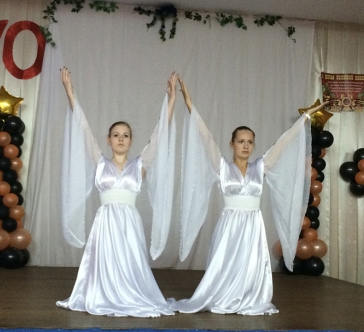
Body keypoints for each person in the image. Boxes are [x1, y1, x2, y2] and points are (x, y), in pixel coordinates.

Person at [168, 77, 324, 315]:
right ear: (231, 144)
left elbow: (283, 143)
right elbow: (205, 136)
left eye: (250, 142)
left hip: (253, 224)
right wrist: (188, 101)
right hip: (230, 224)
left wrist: (306, 117)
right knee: (226, 263)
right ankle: (222, 295)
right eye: (241, 141)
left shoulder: (260, 167)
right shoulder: (222, 166)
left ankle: (249, 297)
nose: (245, 146)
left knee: (250, 263)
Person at [55, 67, 176, 317]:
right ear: (108, 139)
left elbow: (159, 136)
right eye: (116, 135)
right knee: (105, 260)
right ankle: (103, 294)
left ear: (131, 141)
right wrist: (70, 93)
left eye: (125, 135)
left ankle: (131, 294)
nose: (121, 139)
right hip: (106, 221)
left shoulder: (139, 165)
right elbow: (83, 129)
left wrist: (171, 101)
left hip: (129, 221)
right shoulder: (100, 162)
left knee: (130, 261)